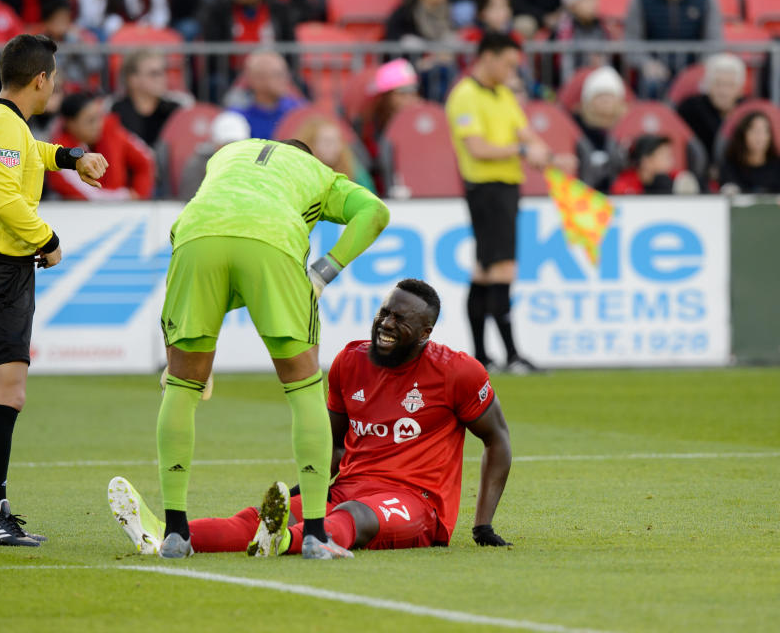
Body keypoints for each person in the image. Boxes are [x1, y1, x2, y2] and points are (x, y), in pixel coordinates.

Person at [108, 279, 513, 557]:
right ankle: (164, 536)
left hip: (417, 504)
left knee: (350, 518)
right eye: (384, 312)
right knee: (254, 517)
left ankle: (283, 542)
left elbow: (497, 439)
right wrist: (306, 489)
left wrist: (482, 525)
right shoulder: (349, 362)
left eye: (400, 320)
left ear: (425, 333)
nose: (386, 324)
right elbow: (333, 444)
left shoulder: (458, 372)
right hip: (349, 486)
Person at [147, 137, 390, 559]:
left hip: (194, 237)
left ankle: (175, 532)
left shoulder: (228, 154)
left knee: (182, 389)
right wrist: (323, 272)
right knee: (304, 389)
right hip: (272, 242)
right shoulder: (319, 176)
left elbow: (222, 240)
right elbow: (376, 211)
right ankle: (315, 534)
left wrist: (187, 352)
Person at [0, 34, 108, 547]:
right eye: (54, 79)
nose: (55, 88)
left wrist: (71, 157)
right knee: (9, 395)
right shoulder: (3, 125)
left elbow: (27, 153)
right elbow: (4, 200)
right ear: (40, 79)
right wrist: (49, 239)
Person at [445, 32, 575, 373]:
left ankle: (483, 357)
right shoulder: (464, 96)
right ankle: (510, 356)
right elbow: (477, 148)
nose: (511, 71)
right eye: (508, 63)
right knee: (500, 268)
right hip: (485, 189)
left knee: (486, 270)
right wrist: (522, 151)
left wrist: (551, 158)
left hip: (506, 188)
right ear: (488, 56)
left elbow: (526, 135)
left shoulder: (503, 95)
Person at [48, 92, 156, 200]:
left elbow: (146, 159)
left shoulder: (111, 131)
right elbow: (91, 197)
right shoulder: (59, 154)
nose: (98, 125)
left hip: (122, 211)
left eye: (99, 117)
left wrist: (140, 195)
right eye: (90, 121)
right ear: (70, 123)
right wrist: (127, 197)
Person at [624, 0, 723, 98]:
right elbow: (632, 43)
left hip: (693, 69)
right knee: (651, 85)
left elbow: (714, 43)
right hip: (655, 72)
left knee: (702, 89)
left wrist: (696, 70)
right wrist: (647, 64)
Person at [676, 54, 746, 163]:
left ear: (740, 90)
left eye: (730, 85)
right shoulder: (689, 109)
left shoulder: (748, 111)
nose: (723, 92)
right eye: (718, 84)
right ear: (708, 86)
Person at [111, 51, 182, 147]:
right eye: (154, 73)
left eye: (164, 72)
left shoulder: (176, 110)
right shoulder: (115, 112)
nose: (163, 78)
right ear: (132, 79)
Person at [229, 50, 306, 140]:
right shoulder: (237, 116)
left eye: (286, 73)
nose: (286, 79)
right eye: (278, 74)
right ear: (257, 80)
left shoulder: (297, 110)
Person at [574, 66, 627, 192]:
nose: (605, 101)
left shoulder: (626, 126)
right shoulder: (577, 126)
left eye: (610, 96)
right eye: (600, 96)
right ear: (589, 101)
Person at [177, 111, 251, 200]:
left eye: (236, 144)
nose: (231, 149)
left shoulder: (251, 163)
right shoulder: (197, 165)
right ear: (215, 143)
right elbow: (190, 199)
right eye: (226, 144)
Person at [293, 116, 376, 194]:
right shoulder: (300, 173)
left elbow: (370, 197)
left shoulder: (353, 170)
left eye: (337, 141)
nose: (335, 147)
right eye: (327, 142)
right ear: (310, 144)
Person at [719, 111, 780, 195]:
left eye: (765, 130)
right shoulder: (731, 166)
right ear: (743, 134)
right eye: (754, 130)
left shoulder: (777, 166)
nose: (759, 136)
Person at [609, 134, 677, 194]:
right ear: (646, 161)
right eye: (666, 157)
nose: (672, 162)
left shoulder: (674, 179)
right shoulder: (624, 187)